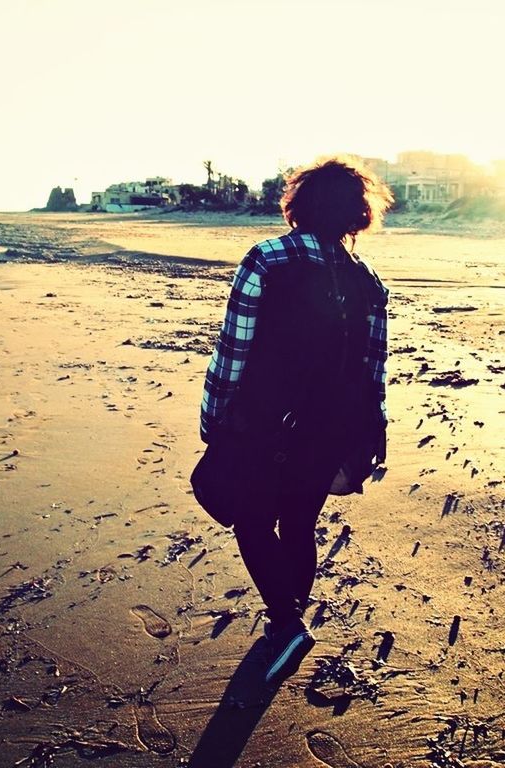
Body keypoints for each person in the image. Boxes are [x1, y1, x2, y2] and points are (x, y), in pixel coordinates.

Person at [199, 156, 392, 684]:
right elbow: (374, 371)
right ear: (358, 215)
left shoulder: (266, 258)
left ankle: (286, 622)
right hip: (330, 427)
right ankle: (289, 617)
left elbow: (232, 351)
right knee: (300, 522)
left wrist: (213, 419)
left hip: (262, 422)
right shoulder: (370, 281)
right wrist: (373, 434)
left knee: (253, 521)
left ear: (298, 205)